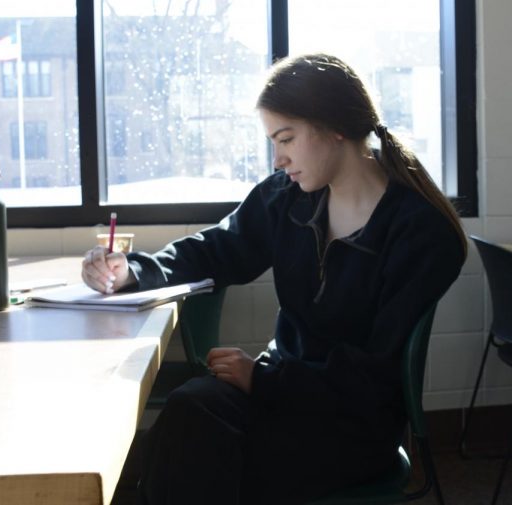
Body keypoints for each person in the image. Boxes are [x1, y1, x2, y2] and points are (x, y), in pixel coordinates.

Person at [81, 53, 467, 505]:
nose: (279, 158)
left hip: (351, 429)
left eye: (286, 139)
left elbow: (373, 379)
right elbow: (216, 251)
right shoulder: (287, 198)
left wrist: (263, 382)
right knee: (188, 414)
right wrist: (133, 270)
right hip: (282, 395)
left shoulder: (420, 232)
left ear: (335, 126)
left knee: (192, 448)